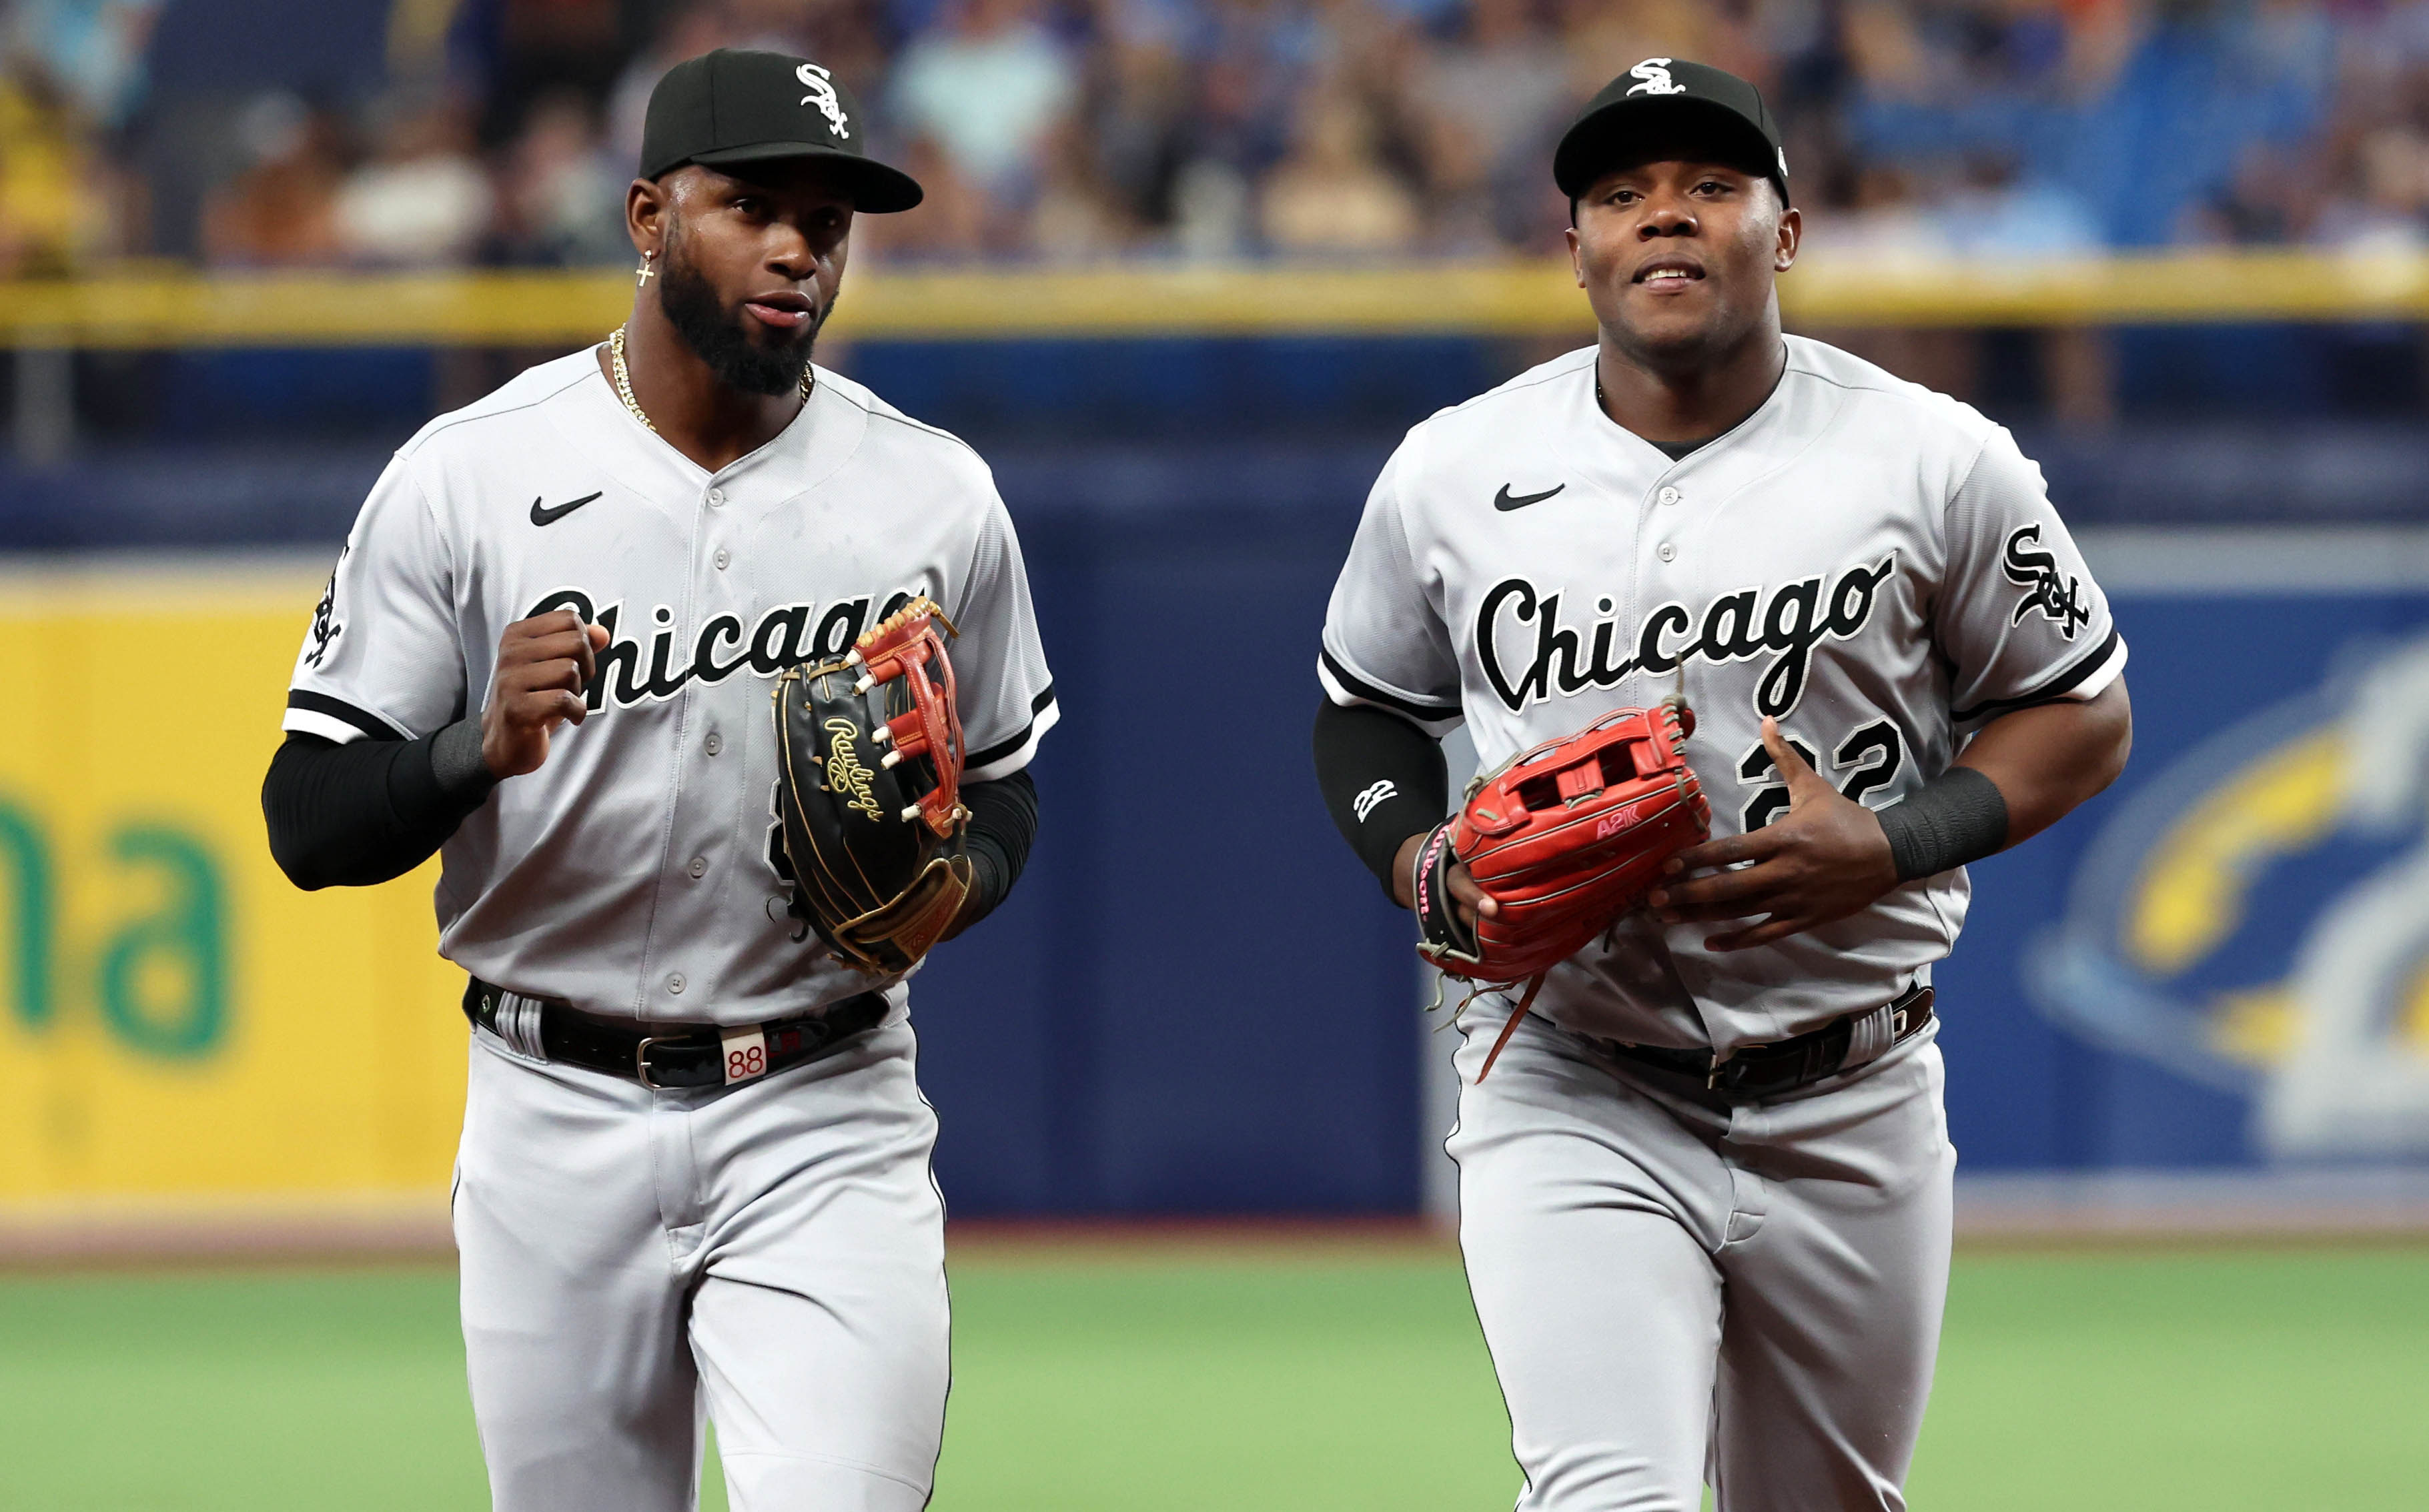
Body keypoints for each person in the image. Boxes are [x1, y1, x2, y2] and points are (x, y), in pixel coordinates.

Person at [1310, 58, 2131, 1511]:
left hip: (1852, 1084)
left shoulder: (1937, 459)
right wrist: (1413, 857)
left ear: (1787, 231)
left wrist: (1892, 843)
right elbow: (1367, 712)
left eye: (1708, 187)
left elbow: (2078, 713)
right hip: (1571, 1074)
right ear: (1575, 253)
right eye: (1621, 195)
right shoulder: (1453, 470)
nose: (1663, 220)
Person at [261, 49, 1056, 1512]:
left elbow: (1004, 783)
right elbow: (305, 820)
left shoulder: (934, 494)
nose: (795, 249)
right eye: (751, 203)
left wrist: (961, 885)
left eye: (826, 220)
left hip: (824, 1106)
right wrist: (467, 752)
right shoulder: (471, 474)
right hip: (549, 1114)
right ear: (645, 216)